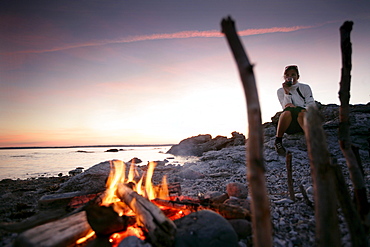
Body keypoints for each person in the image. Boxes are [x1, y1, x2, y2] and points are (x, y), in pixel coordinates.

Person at [275, 65, 315, 155]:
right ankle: (278, 142)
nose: (290, 77)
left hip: (303, 120)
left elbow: (311, 104)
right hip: (289, 122)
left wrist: (298, 108)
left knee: (301, 113)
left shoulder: (305, 87)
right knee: (287, 112)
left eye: (293, 74)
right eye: (288, 75)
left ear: (298, 76)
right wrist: (287, 92)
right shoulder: (280, 91)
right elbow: (285, 106)